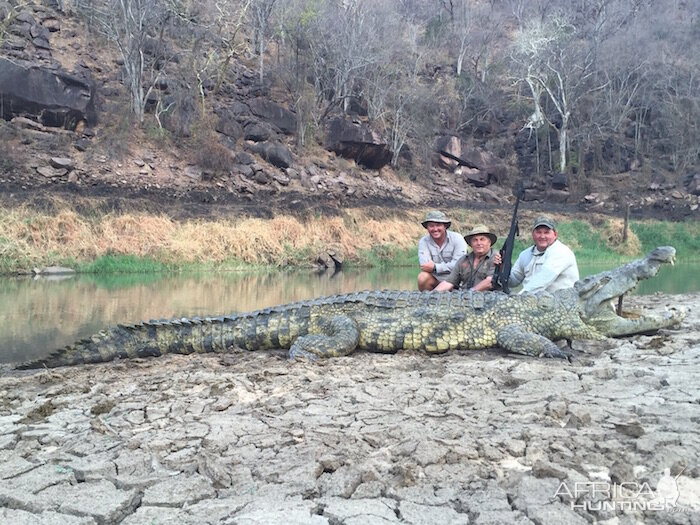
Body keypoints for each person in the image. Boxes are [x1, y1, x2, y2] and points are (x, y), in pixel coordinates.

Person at [497, 215, 579, 294]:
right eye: (539, 232)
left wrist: (518, 299)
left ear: (555, 234)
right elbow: (513, 281)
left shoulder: (561, 252)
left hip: (559, 303)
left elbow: (541, 282)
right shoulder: (525, 254)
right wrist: (502, 268)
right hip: (533, 301)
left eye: (546, 232)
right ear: (533, 234)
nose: (542, 236)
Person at [435, 224, 498, 292]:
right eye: (475, 240)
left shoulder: (496, 258)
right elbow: (449, 282)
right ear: (471, 244)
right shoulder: (464, 259)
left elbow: (489, 282)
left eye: (482, 239)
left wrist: (470, 292)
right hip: (465, 297)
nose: (479, 243)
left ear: (489, 242)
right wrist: (432, 294)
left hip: (489, 298)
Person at [417, 211, 467, 291]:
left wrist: (435, 267)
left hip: (456, 279)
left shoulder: (458, 238)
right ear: (427, 227)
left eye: (438, 225)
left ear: (445, 226)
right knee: (422, 277)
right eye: (431, 226)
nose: (435, 229)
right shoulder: (423, 241)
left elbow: (458, 265)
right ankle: (428, 301)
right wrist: (434, 268)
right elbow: (425, 266)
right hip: (435, 279)